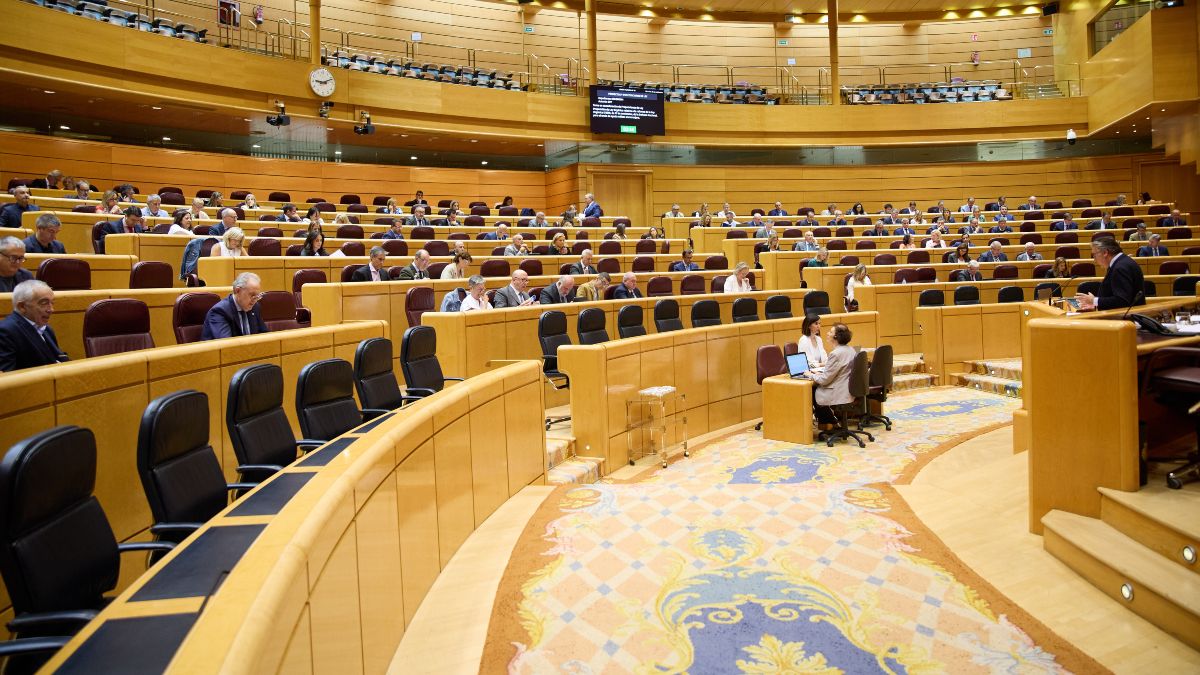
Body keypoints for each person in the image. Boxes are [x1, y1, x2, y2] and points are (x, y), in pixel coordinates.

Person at [0, 280, 68, 371]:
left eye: (52, 303)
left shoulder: (46, 329)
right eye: (44, 303)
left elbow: (58, 358)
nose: (51, 309)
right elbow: (8, 377)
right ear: (22, 307)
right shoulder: (6, 331)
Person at [1076, 237, 1145, 311]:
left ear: (1105, 253)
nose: (1094, 259)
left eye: (1094, 255)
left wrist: (1094, 300)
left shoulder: (1120, 268)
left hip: (1126, 319)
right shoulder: (1122, 262)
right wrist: (1096, 304)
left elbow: (1122, 301)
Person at [806, 323, 855, 424]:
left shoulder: (835, 354)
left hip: (838, 392)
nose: (827, 334)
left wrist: (810, 375)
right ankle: (829, 420)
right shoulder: (851, 350)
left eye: (830, 332)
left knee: (812, 388)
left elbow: (824, 380)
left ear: (836, 337)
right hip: (848, 390)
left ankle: (828, 423)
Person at [201, 272, 269, 340]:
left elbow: (264, 335)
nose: (255, 300)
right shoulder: (220, 311)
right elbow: (227, 344)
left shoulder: (255, 307)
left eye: (257, 296)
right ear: (238, 290)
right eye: (252, 295)